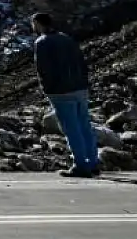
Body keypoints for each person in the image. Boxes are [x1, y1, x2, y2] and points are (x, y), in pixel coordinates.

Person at [32, 12, 100, 178]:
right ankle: (93, 162)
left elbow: (43, 70)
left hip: (60, 91)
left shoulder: (42, 42)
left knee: (71, 128)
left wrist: (47, 89)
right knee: (84, 125)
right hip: (80, 88)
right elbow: (81, 62)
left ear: (38, 24)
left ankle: (80, 165)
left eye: (33, 24)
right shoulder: (67, 38)